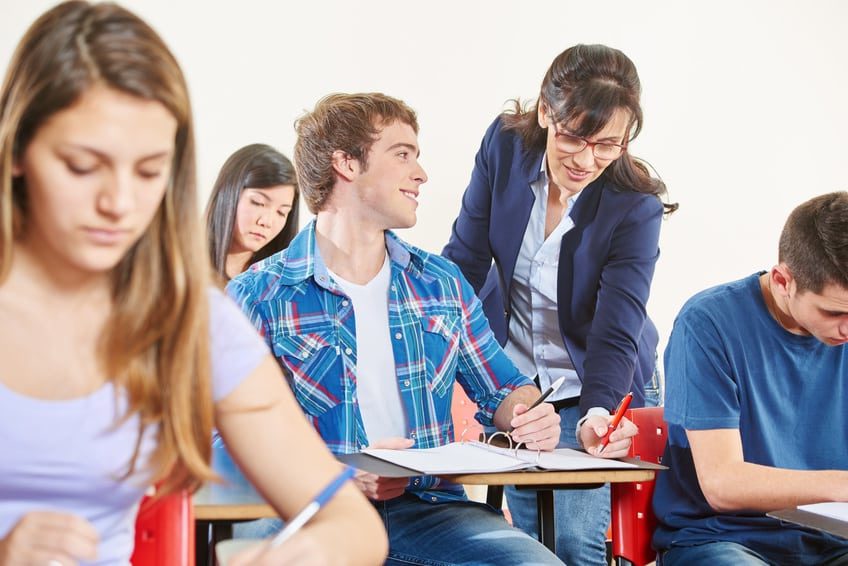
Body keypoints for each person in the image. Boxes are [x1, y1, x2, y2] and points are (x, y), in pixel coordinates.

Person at [0, 3, 386, 565]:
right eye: (83, 166)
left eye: (149, 170)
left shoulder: (189, 319)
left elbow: (352, 528)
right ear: (17, 150)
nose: (119, 203)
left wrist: (287, 558)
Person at [227, 92, 596, 565]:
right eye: (402, 154)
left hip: (428, 511)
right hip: (309, 510)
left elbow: (504, 389)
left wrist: (528, 414)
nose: (420, 174)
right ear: (346, 163)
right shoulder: (258, 293)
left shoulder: (440, 283)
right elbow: (223, 440)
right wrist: (337, 475)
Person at [442, 43, 675, 564]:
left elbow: (617, 329)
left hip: (598, 379)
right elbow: (466, 261)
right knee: (530, 542)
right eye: (574, 137)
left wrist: (597, 414)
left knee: (570, 541)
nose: (587, 160)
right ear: (546, 112)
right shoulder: (505, 146)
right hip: (520, 376)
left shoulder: (634, 207)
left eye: (608, 145)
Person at [653, 191, 848, 566]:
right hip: (725, 540)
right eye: (833, 312)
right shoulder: (708, 325)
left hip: (832, 542)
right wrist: (841, 486)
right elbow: (724, 485)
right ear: (782, 280)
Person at [205, 143, 299, 280]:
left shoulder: (276, 283)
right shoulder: (179, 261)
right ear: (228, 192)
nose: (266, 222)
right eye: (258, 202)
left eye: (282, 212)